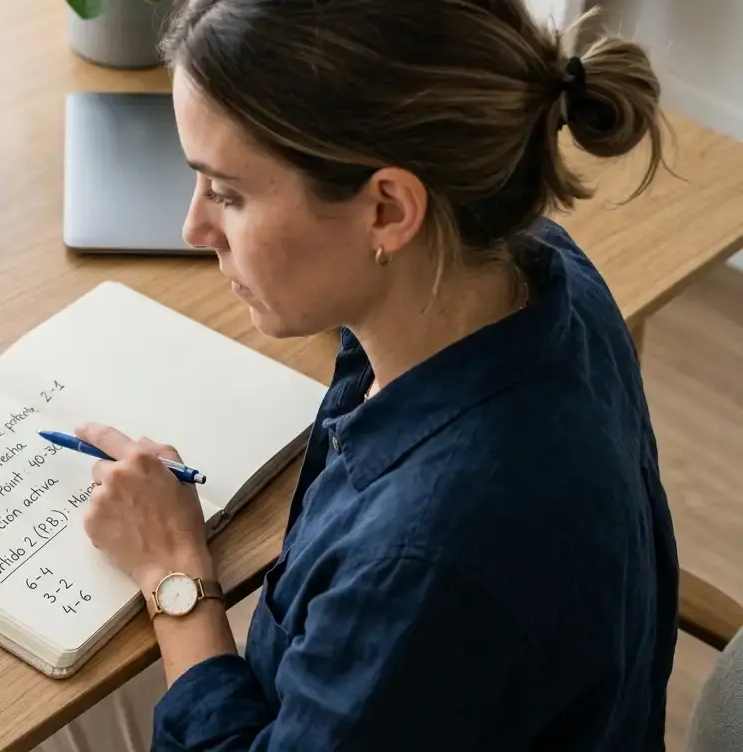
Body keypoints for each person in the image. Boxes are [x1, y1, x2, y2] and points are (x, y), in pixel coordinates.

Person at [46, 0, 679, 749]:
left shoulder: (422, 563)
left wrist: (173, 573)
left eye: (227, 193)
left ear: (387, 209)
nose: (195, 228)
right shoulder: (535, 264)